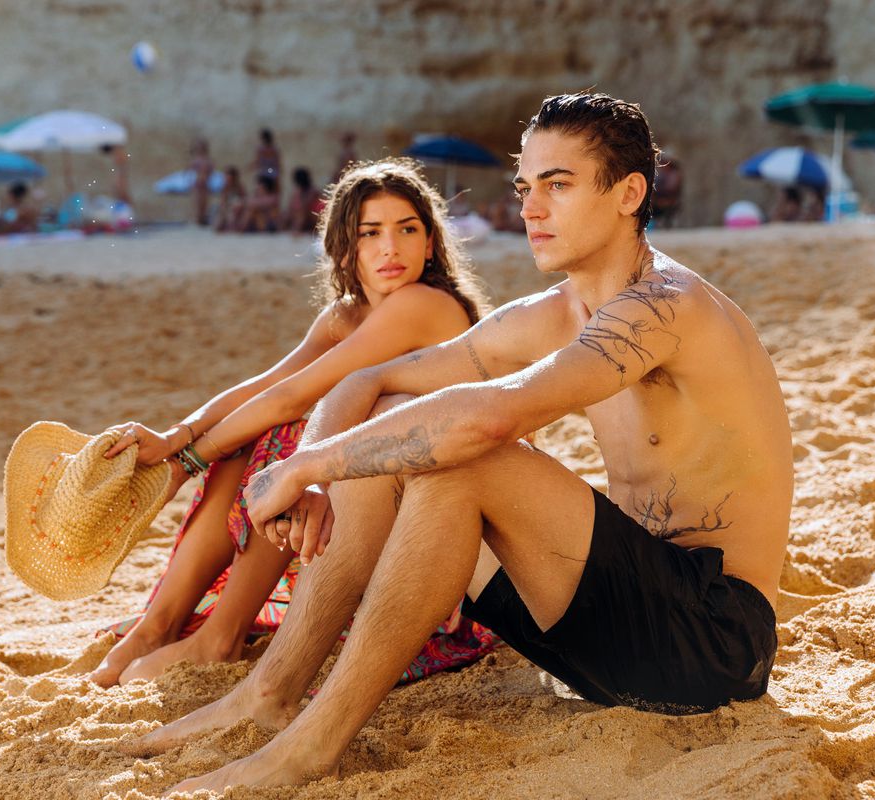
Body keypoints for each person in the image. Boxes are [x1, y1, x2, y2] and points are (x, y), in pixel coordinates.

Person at [127, 92, 793, 794]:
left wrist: (312, 463)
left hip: (713, 643)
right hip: (608, 638)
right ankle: (270, 693)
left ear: (629, 193)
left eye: (558, 186)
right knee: (402, 433)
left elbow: (494, 416)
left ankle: (313, 745)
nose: (530, 209)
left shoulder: (666, 305)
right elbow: (371, 381)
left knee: (465, 460)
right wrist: (311, 472)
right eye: (525, 187)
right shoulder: (555, 313)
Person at [89, 158, 493, 688]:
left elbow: (290, 399)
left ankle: (220, 636)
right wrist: (175, 438)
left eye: (407, 230)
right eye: (370, 233)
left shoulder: (423, 305)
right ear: (346, 248)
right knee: (248, 442)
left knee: (286, 442)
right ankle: (156, 626)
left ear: (431, 243)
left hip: (437, 532)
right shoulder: (347, 315)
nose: (390, 248)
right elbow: (266, 385)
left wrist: (186, 462)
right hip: (375, 506)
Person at [284, 167, 321, 233]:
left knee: (300, 215)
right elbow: (291, 207)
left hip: (311, 217)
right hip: (300, 216)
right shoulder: (297, 192)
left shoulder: (313, 192)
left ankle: (297, 231)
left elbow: (306, 206)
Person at [651, 150, 682, 228]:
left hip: (668, 200)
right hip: (658, 199)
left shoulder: (674, 174)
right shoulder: (661, 174)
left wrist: (657, 196)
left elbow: (670, 190)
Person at [189, 138, 215, 226]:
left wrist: (205, 176)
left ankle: (203, 217)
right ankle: (199, 218)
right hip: (198, 182)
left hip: (205, 182)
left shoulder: (207, 160)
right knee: (198, 200)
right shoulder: (196, 159)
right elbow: (191, 170)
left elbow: (211, 169)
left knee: (204, 200)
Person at [214, 166, 247, 232]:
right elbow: (223, 202)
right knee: (218, 225)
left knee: (235, 208)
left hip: (238, 208)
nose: (225, 177)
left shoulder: (239, 187)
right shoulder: (225, 187)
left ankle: (232, 226)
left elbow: (244, 199)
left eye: (227, 175)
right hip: (228, 208)